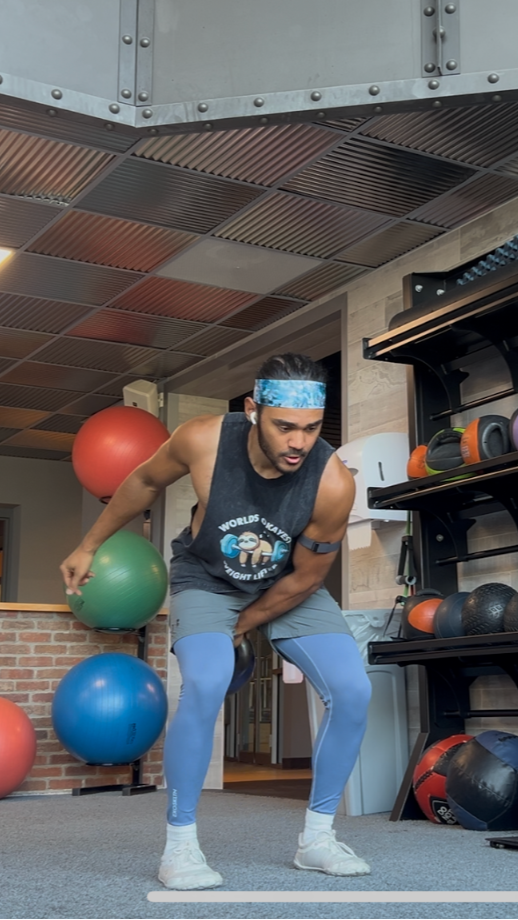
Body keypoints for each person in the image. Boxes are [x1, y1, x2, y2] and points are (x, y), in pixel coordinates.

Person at [60, 352, 372, 890]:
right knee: (204, 682)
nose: (299, 442)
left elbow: (306, 579)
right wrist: (90, 544)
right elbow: (143, 481)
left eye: (312, 428)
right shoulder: (204, 439)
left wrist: (242, 625)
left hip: (287, 585)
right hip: (208, 578)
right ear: (254, 410)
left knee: (354, 691)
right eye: (284, 427)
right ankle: (179, 846)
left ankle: (317, 839)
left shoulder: (333, 483)